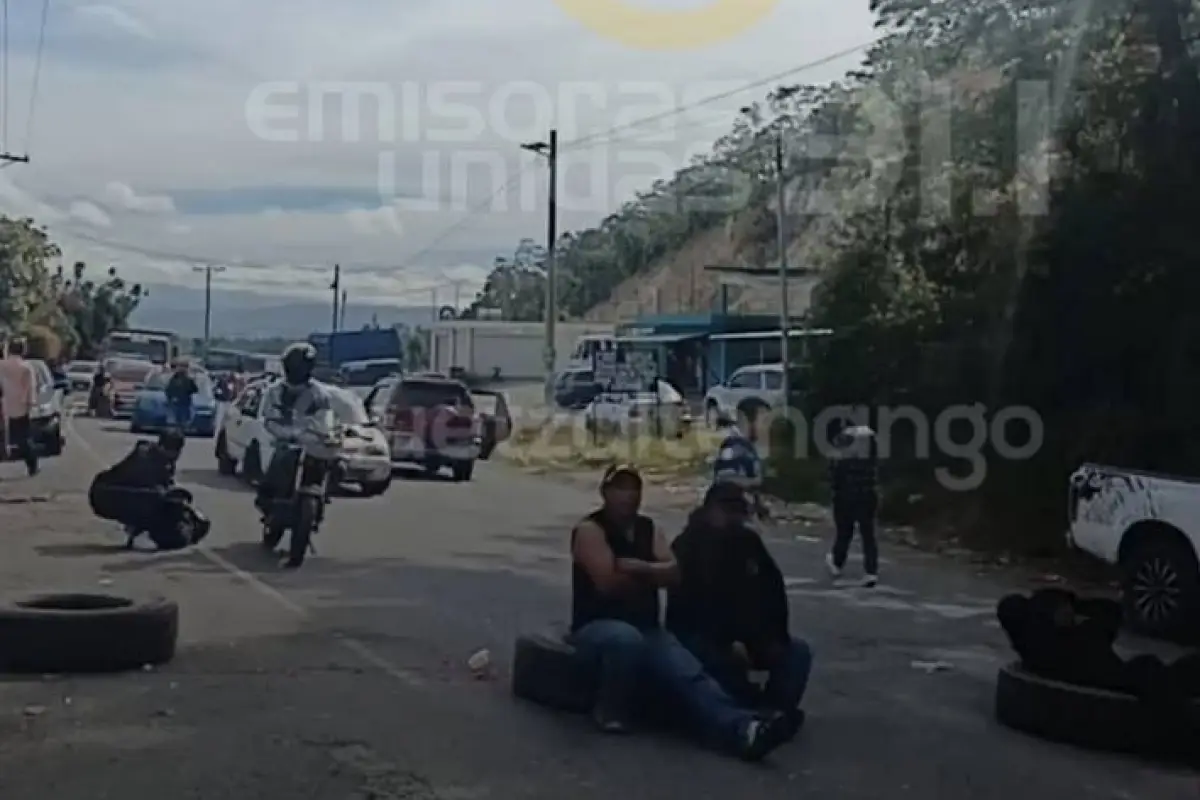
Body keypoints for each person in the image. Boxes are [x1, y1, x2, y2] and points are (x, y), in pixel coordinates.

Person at [568, 463, 791, 761]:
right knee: (625, 639)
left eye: (633, 488)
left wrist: (638, 567)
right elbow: (607, 581)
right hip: (595, 627)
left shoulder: (649, 529)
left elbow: (673, 574)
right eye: (619, 488)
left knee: (690, 675)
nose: (627, 495)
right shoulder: (590, 530)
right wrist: (653, 572)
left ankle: (744, 728)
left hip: (647, 628)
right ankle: (609, 708)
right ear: (606, 492)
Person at [667, 482, 812, 734]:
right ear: (710, 509)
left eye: (738, 510)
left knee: (797, 652)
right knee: (708, 655)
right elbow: (693, 606)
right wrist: (730, 641)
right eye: (726, 509)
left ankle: (775, 710)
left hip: (748, 635)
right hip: (701, 634)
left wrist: (771, 638)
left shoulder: (749, 544)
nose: (732, 517)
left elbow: (773, 593)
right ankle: (744, 709)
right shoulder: (688, 546)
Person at [255, 342, 333, 567]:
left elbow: (327, 419)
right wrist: (283, 432)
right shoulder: (276, 392)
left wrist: (328, 433)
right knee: (277, 462)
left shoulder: (319, 393)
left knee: (332, 464)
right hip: (285, 441)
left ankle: (321, 498)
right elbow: (268, 418)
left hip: (310, 443)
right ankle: (268, 500)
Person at [88, 430, 210, 550]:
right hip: (106, 494)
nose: (176, 455)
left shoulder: (164, 460)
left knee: (165, 504)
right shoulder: (144, 459)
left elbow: (167, 486)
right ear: (162, 447)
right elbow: (154, 491)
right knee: (157, 500)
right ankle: (137, 529)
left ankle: (138, 528)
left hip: (123, 493)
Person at [825, 424, 879, 587]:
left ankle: (837, 563)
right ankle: (871, 571)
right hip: (867, 497)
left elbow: (834, 480)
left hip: (845, 498)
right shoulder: (871, 460)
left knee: (844, 533)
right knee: (868, 535)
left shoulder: (841, 460)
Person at [711, 408, 768, 520]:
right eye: (763, 423)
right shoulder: (740, 445)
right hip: (730, 506)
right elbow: (726, 478)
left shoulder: (737, 442)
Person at [0, 338, 39, 475]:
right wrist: (30, 403)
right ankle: (32, 465)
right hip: (20, 406)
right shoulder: (26, 367)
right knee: (24, 438)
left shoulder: (2, 365)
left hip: (4, 405)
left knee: (4, 437)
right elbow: (30, 388)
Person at [164, 360, 199, 428]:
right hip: (180, 403)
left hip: (183, 403)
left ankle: (178, 430)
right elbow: (168, 390)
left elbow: (194, 389)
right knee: (179, 420)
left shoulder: (184, 379)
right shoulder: (177, 379)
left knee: (180, 420)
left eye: (185, 367)